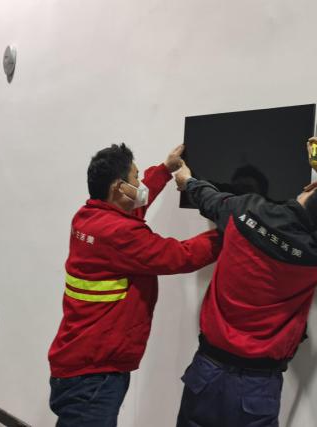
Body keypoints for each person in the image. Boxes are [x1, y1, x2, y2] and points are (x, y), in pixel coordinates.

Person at [173, 137, 317, 427]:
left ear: (311, 191)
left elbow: (208, 197)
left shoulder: (245, 210)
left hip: (207, 370)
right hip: (258, 387)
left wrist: (187, 181)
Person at [48, 143, 222, 427]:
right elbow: (181, 256)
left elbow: (131, 211)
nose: (140, 184)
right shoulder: (120, 233)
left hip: (77, 361)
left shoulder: (88, 216)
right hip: (95, 375)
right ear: (120, 187)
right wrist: (230, 230)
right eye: (136, 178)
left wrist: (164, 170)